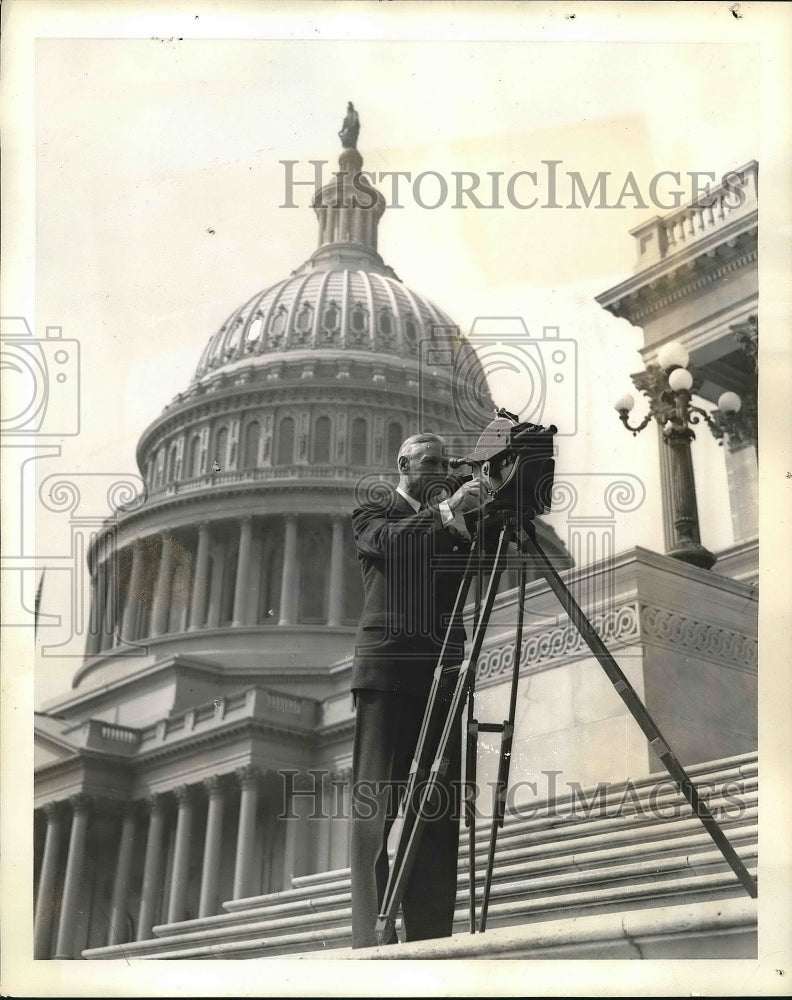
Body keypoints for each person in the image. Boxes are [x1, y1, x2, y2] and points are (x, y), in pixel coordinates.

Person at [349, 432, 488, 949]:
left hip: (442, 675)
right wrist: (449, 509)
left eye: (444, 463)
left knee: (437, 806)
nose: (437, 469)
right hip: (388, 674)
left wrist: (485, 505)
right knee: (376, 809)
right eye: (428, 461)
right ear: (403, 463)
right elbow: (395, 545)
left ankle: (431, 938)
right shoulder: (374, 511)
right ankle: (372, 941)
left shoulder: (453, 524)